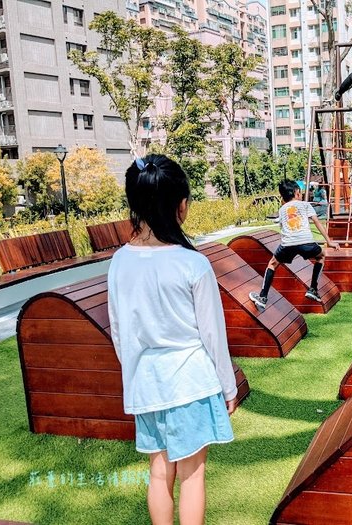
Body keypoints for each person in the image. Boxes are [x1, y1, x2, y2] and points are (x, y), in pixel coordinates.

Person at [107, 155, 237, 525]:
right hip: (191, 382)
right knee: (192, 475)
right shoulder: (192, 264)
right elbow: (213, 335)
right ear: (182, 206)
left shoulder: (119, 262)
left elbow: (121, 334)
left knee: (159, 471)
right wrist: (228, 387)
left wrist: (135, 377)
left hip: (147, 383)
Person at [249, 180, 340, 308]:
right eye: (300, 193)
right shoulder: (305, 205)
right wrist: (329, 242)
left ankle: (263, 297)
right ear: (297, 193)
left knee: (272, 264)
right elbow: (317, 223)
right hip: (306, 242)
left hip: (288, 244)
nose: (301, 195)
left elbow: (283, 227)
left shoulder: (281, 210)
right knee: (321, 256)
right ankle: (313, 289)